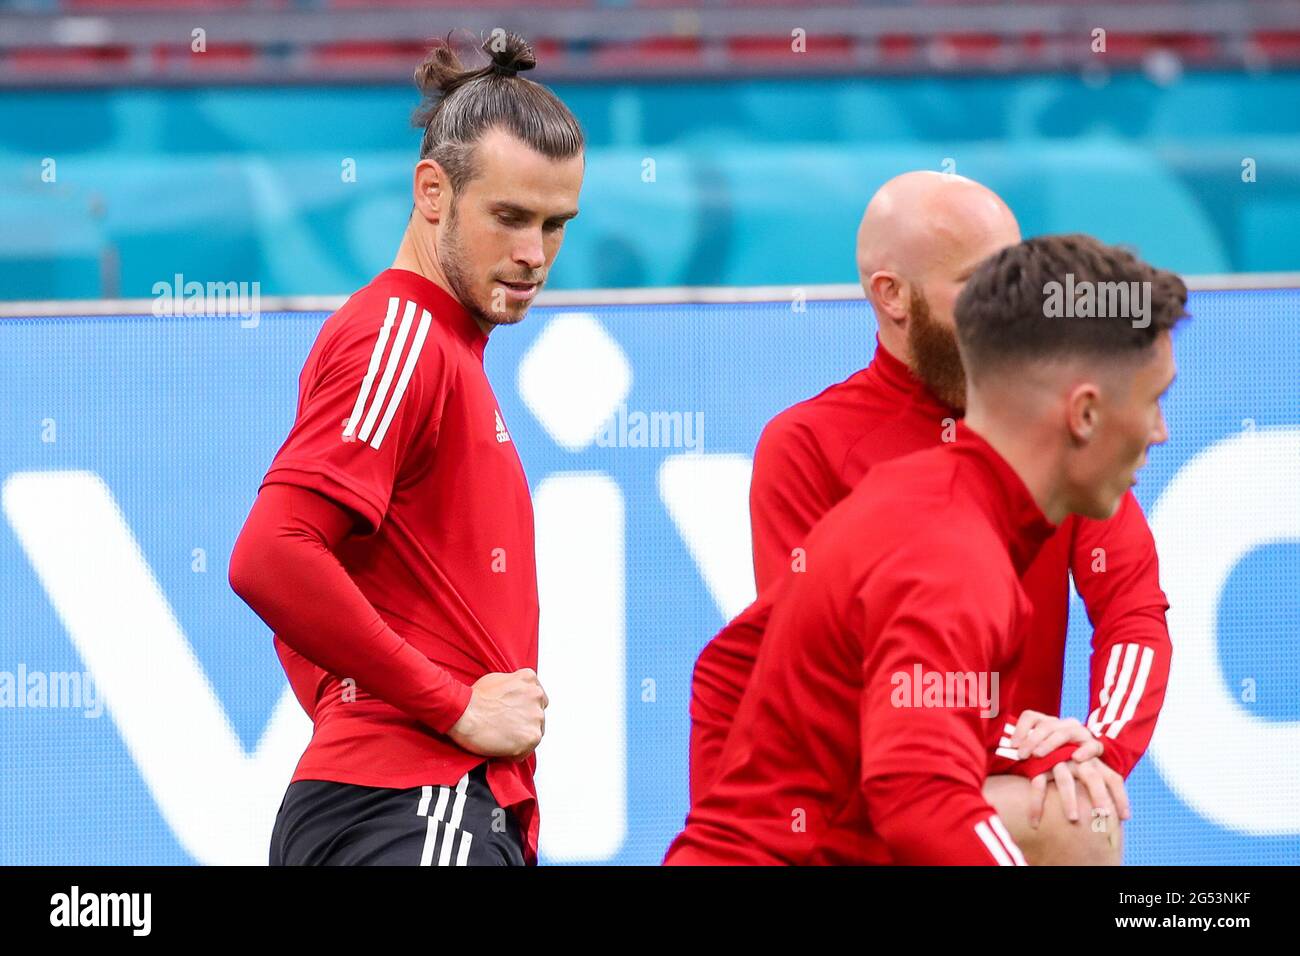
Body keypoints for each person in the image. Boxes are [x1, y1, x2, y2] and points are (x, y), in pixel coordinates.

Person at [690, 173, 1172, 861]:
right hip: (857, 800)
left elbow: (1132, 603)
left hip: (941, 776)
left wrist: (1094, 742)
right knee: (1069, 822)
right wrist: (1026, 746)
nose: (1009, 312)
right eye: (981, 285)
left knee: (1082, 810)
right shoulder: (822, 450)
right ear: (892, 296)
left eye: (1018, 284)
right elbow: (848, 694)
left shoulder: (1047, 439)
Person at [228, 32, 584, 866]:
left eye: (555, 224)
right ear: (432, 192)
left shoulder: (437, 348)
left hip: (412, 807)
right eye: (509, 217)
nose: (534, 254)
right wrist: (453, 706)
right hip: (415, 805)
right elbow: (271, 556)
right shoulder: (404, 334)